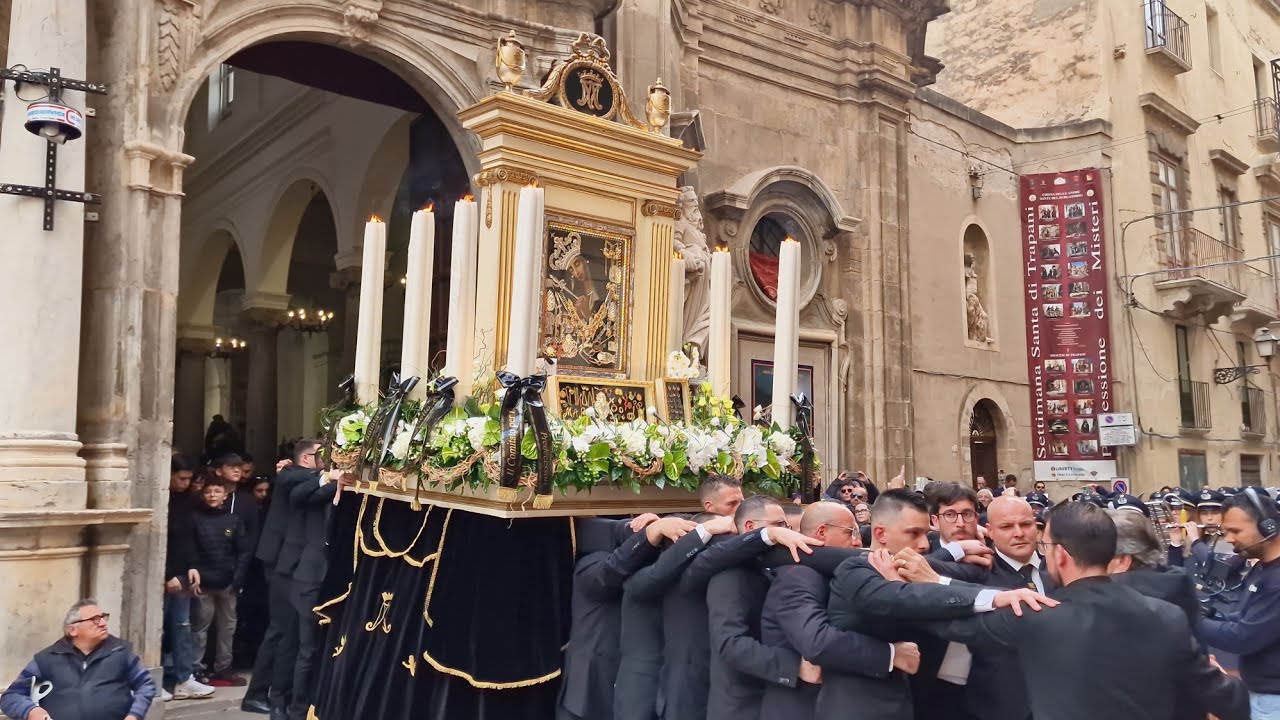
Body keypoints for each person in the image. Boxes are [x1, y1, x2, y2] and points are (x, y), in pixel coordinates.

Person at [916, 502, 1249, 720]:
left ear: (1060, 556)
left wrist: (931, 579)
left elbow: (949, 623)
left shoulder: (1035, 618)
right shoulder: (1167, 616)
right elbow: (1228, 699)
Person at [815, 489, 1049, 720]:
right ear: (881, 533)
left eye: (926, 534)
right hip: (857, 709)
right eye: (914, 533)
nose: (925, 544)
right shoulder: (855, 571)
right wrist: (995, 597)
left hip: (908, 704)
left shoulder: (931, 565)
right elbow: (905, 597)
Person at [660, 496, 819, 720]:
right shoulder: (731, 575)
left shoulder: (771, 568)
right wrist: (795, 667)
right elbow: (730, 643)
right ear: (750, 527)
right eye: (780, 525)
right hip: (741, 705)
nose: (789, 533)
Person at [759, 503, 909, 720]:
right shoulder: (798, 576)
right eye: (851, 532)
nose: (858, 541)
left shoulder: (826, 571)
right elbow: (816, 641)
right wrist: (891, 654)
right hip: (802, 706)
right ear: (822, 532)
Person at [558, 514, 687, 720]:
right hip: (590, 694)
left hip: (635, 691)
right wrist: (649, 533)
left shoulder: (652, 567)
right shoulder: (590, 565)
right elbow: (613, 569)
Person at [615, 512, 736, 720]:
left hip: (688, 687)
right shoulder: (644, 575)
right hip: (643, 690)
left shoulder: (708, 576)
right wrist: (703, 532)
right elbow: (658, 574)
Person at [245, 444, 326, 718]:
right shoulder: (292, 475)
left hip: (291, 563)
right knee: (281, 633)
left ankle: (272, 695)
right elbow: (290, 477)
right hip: (282, 562)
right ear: (306, 458)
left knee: (284, 634)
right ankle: (262, 694)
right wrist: (331, 475)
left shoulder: (304, 478)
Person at [275, 442, 352, 720]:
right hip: (309, 580)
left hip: (335, 581)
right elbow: (297, 492)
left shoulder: (352, 493)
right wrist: (327, 478)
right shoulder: (312, 487)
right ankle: (297, 710)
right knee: (306, 649)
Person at [1, 600, 157, 720]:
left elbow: (146, 685)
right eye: (95, 619)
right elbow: (11, 696)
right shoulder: (48, 659)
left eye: (103, 617)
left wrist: (134, 715)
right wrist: (32, 711)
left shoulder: (121, 652)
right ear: (73, 630)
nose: (103, 623)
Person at [1199, 488, 1280, 718]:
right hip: (1261, 695)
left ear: (1268, 528)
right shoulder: (1262, 567)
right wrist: (1208, 614)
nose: (1229, 539)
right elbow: (1244, 615)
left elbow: (1243, 636)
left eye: (1235, 531)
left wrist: (1188, 620)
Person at [191, 478, 252, 686]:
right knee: (200, 627)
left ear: (225, 495)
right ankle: (195, 668)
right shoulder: (196, 519)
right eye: (208, 491)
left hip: (228, 582)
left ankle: (223, 667)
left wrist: (237, 580)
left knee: (228, 627)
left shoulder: (233, 520)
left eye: (217, 491)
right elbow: (192, 550)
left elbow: (243, 552)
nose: (212, 495)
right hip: (203, 582)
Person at [163, 455, 215, 700]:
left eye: (189, 479)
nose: (186, 483)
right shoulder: (164, 500)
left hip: (183, 572)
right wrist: (168, 574)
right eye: (181, 478)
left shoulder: (186, 502)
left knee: (182, 626)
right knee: (163, 628)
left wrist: (192, 566)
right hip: (168, 574)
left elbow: (188, 538)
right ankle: (161, 680)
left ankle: (183, 678)